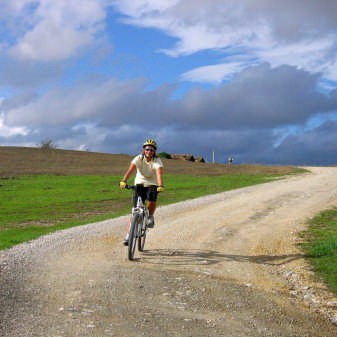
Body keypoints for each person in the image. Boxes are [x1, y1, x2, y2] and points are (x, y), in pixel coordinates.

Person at [119, 139, 164, 245]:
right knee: (135, 210)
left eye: (152, 150)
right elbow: (130, 171)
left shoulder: (157, 161)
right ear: (144, 150)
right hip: (139, 182)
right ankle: (129, 235)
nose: (149, 151)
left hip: (152, 183)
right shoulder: (138, 158)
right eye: (147, 149)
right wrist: (123, 181)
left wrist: (160, 185)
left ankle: (150, 216)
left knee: (152, 200)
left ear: (154, 152)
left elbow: (159, 174)